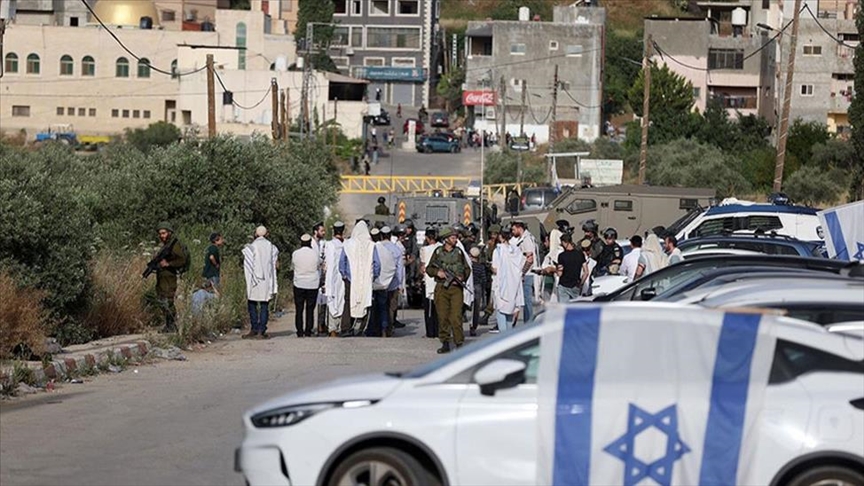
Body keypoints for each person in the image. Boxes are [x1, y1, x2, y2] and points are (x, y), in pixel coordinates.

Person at [426, 227, 471, 354]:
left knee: (456, 317)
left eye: (456, 237)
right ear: (446, 239)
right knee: (443, 317)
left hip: (456, 289)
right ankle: (445, 342)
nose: (455, 239)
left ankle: (459, 342)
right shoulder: (438, 252)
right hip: (442, 288)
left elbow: (467, 269)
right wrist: (437, 272)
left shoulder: (459, 253)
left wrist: (462, 277)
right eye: (452, 237)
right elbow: (429, 269)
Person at [339, 221, 381, 336]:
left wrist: (344, 276)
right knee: (366, 301)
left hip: (350, 280)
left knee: (349, 302)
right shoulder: (371, 245)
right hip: (366, 280)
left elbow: (342, 262)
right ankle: (361, 328)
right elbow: (377, 264)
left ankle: (345, 328)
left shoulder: (348, 244)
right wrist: (372, 277)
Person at [242, 226, 279, 339]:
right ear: (266, 234)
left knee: (252, 304)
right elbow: (274, 265)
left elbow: (247, 265)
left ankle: (254, 328)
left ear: (256, 234)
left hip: (254, 281)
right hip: (266, 281)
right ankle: (261, 331)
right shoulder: (272, 247)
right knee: (264, 305)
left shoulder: (251, 247)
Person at [152, 222, 187, 333]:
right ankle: (168, 325)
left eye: (164, 233)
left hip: (169, 277)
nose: (162, 235)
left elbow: (182, 260)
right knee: (162, 300)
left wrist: (168, 264)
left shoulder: (174, 244)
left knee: (168, 301)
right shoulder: (167, 245)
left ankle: (172, 325)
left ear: (169, 232)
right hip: (162, 277)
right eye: (160, 233)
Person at [491, 225, 525, 334]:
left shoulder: (498, 250)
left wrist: (491, 267)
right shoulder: (516, 250)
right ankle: (509, 336)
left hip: (502, 285)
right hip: (514, 286)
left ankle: (503, 338)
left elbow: (495, 269)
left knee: (501, 311)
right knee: (510, 312)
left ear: (500, 236)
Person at [369, 227, 396, 337]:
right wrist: (386, 280)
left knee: (373, 309)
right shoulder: (385, 250)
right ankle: (384, 328)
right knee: (383, 307)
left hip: (373, 284)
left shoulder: (371, 249)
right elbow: (392, 267)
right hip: (384, 285)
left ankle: (373, 330)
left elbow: (375, 266)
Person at [510, 220, 538, 325]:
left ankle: (529, 324)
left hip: (527, 274)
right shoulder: (523, 238)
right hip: (525, 274)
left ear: (519, 227)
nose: (512, 232)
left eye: (513, 229)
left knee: (527, 302)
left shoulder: (527, 239)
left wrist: (522, 273)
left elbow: (530, 259)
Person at [291, 234, 319, 338]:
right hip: (312, 283)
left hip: (299, 283)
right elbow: (318, 265)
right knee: (310, 309)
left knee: (299, 308)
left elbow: (292, 266)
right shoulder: (315, 254)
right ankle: (308, 330)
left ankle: (299, 331)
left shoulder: (295, 253)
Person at [323, 222, 346, 337]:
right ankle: (338, 327)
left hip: (332, 277)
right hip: (342, 277)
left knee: (332, 302)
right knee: (341, 301)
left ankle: (332, 329)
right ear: (343, 231)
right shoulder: (346, 244)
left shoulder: (330, 244)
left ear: (333, 231)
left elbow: (328, 263)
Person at [380, 226, 404, 337]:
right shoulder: (396, 250)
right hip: (393, 283)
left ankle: (380, 328)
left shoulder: (377, 247)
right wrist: (400, 284)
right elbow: (400, 269)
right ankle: (389, 328)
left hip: (379, 282)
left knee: (380, 306)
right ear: (390, 236)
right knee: (391, 307)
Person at [419, 227, 441, 338]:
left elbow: (422, 268)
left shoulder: (424, 250)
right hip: (439, 280)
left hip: (428, 281)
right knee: (439, 308)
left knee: (429, 309)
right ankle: (438, 331)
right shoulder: (441, 248)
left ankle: (430, 332)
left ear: (427, 238)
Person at [555, 234, 585, 302]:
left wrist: (555, 270)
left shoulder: (561, 256)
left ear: (564, 243)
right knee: (576, 308)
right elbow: (586, 272)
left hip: (563, 285)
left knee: (564, 309)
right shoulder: (580, 254)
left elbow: (560, 273)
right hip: (575, 285)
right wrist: (581, 283)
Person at [539, 228, 564, 302]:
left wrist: (551, 269)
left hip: (558, 284)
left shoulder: (560, 253)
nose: (545, 243)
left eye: (547, 241)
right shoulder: (550, 253)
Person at [469, 246, 487, 337]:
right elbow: (484, 279)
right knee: (476, 308)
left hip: (468, 287)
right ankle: (473, 327)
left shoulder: (469, 265)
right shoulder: (481, 267)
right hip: (477, 287)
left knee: (466, 306)